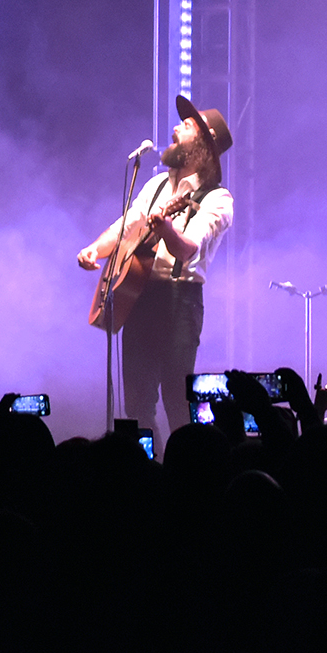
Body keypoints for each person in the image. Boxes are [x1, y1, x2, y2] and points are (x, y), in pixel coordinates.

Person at [78, 96, 234, 441]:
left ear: (203, 147)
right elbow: (126, 225)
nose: (176, 128)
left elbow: (188, 247)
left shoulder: (217, 199)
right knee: (137, 404)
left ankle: (184, 473)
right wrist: (95, 250)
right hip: (140, 299)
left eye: (187, 126)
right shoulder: (156, 185)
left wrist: (165, 227)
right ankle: (148, 473)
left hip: (179, 302)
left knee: (178, 401)